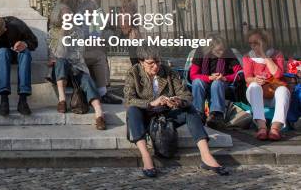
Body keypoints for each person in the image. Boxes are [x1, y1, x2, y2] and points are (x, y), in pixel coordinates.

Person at [124, 46, 229, 178]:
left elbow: (187, 95)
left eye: (158, 62)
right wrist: (151, 103)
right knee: (132, 110)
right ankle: (146, 157)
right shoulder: (133, 73)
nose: (155, 66)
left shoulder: (169, 72)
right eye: (151, 63)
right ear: (141, 62)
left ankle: (206, 156)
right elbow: (128, 100)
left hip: (166, 114)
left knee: (190, 109)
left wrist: (177, 101)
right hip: (145, 115)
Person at [48, 0, 106, 130]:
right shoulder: (53, 33)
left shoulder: (78, 32)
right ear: (60, 17)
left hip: (76, 66)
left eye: (70, 14)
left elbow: (79, 53)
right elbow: (56, 54)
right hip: (60, 70)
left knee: (86, 78)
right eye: (65, 14)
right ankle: (62, 100)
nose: (69, 16)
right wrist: (63, 34)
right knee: (61, 61)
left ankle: (99, 114)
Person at [0, 16, 38, 116]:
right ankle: (4, 100)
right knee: (2, 52)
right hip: (1, 56)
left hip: (17, 52)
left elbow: (34, 41)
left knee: (25, 53)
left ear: (4, 30)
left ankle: (23, 100)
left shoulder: (17, 26)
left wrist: (25, 44)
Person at [243, 29, 290, 141]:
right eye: (251, 43)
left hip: (274, 93)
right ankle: (262, 127)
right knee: (254, 86)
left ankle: (275, 128)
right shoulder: (248, 56)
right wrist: (255, 79)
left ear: (265, 42)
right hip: (257, 95)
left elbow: (277, 74)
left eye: (256, 43)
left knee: (283, 90)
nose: (253, 46)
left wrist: (264, 55)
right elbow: (247, 78)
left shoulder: (277, 54)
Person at [190, 35, 242, 129]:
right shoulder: (200, 52)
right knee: (197, 82)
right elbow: (193, 75)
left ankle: (216, 115)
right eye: (219, 50)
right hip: (205, 80)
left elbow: (240, 73)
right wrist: (209, 78)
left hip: (222, 83)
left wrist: (225, 78)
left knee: (217, 83)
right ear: (210, 49)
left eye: (223, 49)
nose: (222, 52)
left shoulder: (227, 52)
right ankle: (198, 114)